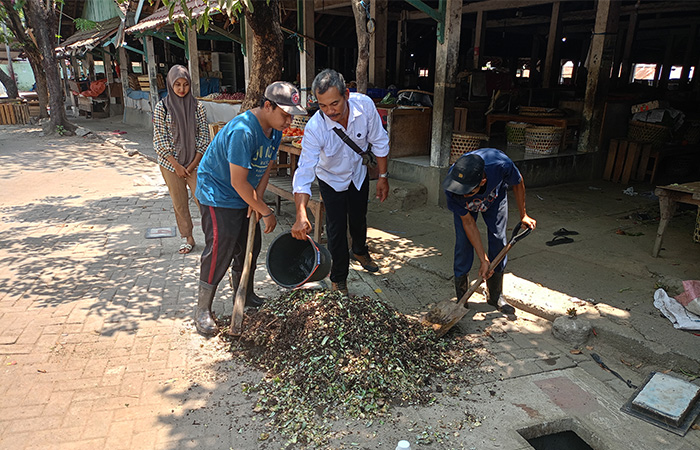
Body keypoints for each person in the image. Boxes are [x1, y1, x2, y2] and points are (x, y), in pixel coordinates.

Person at [193, 81, 307, 336]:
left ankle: (244, 295)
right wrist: (265, 210)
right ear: (268, 106)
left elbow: (264, 167)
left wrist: (257, 200)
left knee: (249, 247)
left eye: (292, 116)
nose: (289, 122)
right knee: (220, 249)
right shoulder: (243, 131)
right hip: (218, 193)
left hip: (245, 193)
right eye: (285, 115)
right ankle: (202, 310)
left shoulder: (275, 131)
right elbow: (237, 181)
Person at [291, 69, 390, 296]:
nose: (329, 111)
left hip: (357, 173)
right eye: (323, 106)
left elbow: (379, 141)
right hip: (331, 178)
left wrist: (383, 177)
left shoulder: (364, 107)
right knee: (336, 229)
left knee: (359, 216)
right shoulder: (315, 127)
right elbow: (304, 170)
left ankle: (360, 250)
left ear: (346, 93)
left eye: (334, 103)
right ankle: (339, 278)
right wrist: (301, 213)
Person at [442, 149, 536, 314]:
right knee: (463, 244)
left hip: (494, 199)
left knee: (499, 241)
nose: (463, 195)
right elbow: (469, 223)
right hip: (467, 212)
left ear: (483, 181)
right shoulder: (453, 185)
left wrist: (524, 215)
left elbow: (518, 182)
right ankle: (462, 299)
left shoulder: (501, 165)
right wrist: (483, 259)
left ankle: (495, 295)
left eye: (468, 191)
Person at [153, 65, 210, 254]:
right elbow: (160, 139)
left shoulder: (197, 107)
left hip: (195, 164)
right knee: (179, 202)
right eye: (177, 84)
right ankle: (188, 238)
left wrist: (193, 164)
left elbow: (203, 137)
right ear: (170, 84)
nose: (182, 89)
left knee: (203, 199)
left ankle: (212, 236)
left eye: (185, 84)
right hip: (171, 165)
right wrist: (176, 165)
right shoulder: (162, 108)